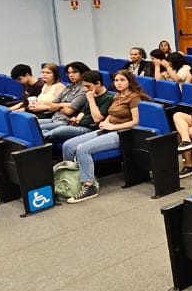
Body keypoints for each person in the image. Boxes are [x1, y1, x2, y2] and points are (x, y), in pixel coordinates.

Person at [60, 69, 145, 202]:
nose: (118, 83)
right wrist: (105, 122)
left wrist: (113, 126)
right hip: (108, 128)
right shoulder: (117, 96)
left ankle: (89, 186)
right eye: (116, 80)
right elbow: (112, 113)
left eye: (122, 80)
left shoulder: (134, 98)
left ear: (129, 81)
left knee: (83, 149)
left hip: (122, 133)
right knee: (68, 145)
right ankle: (73, 181)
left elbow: (136, 121)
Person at [42, 69, 113, 145]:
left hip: (89, 128)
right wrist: (76, 119)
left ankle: (38, 142)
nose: (86, 89)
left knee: (57, 131)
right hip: (77, 125)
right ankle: (40, 141)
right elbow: (83, 112)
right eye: (84, 86)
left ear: (98, 83)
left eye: (88, 86)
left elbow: (97, 119)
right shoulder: (91, 93)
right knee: (43, 130)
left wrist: (91, 100)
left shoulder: (108, 98)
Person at [35, 61, 91, 133]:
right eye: (69, 73)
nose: (71, 75)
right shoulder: (69, 87)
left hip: (65, 121)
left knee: (36, 130)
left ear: (82, 72)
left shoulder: (84, 89)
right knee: (30, 124)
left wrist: (58, 106)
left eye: (74, 72)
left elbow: (69, 111)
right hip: (54, 118)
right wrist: (64, 105)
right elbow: (52, 106)